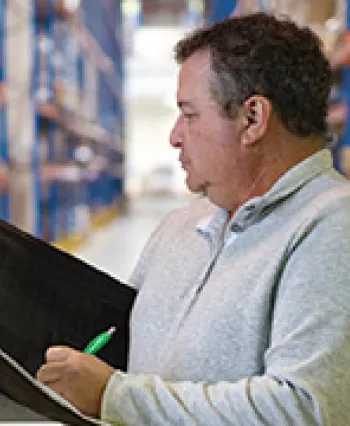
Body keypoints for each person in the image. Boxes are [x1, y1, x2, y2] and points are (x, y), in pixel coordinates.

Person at [36, 12, 350, 425]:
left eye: (190, 113)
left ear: (252, 119)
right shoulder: (180, 226)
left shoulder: (331, 227)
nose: (174, 135)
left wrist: (115, 396)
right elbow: (119, 347)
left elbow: (305, 410)